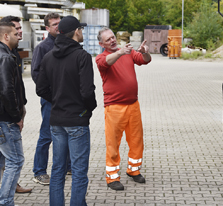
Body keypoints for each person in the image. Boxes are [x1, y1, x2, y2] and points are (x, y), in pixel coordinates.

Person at [36, 15, 96, 205]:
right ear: (76, 31)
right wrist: (89, 109)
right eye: (81, 29)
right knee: (78, 172)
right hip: (77, 120)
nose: (83, 32)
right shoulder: (82, 56)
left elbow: (40, 89)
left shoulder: (48, 56)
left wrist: (57, 100)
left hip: (57, 120)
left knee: (57, 170)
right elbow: (87, 92)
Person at [95, 27, 151, 190]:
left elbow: (144, 60)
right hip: (114, 107)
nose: (112, 40)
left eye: (113, 37)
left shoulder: (128, 52)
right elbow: (106, 62)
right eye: (108, 39)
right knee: (113, 143)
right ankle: (112, 177)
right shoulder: (102, 57)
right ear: (101, 44)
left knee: (136, 141)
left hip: (133, 105)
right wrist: (121, 52)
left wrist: (145, 52)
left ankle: (133, 170)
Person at [31, 12, 71, 185]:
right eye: (54, 24)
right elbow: (36, 74)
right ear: (47, 28)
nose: (58, 26)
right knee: (47, 135)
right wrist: (51, 95)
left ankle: (67, 165)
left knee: (67, 132)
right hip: (50, 100)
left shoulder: (68, 45)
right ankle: (39, 171)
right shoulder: (43, 48)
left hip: (67, 99)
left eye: (59, 23)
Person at [0, 15, 33, 194]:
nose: (19, 35)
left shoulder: (9, 54)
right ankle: (5, 201)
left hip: (4, 118)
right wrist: (16, 117)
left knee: (3, 161)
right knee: (15, 161)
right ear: (6, 36)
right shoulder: (5, 57)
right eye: (15, 32)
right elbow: (7, 90)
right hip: (6, 119)